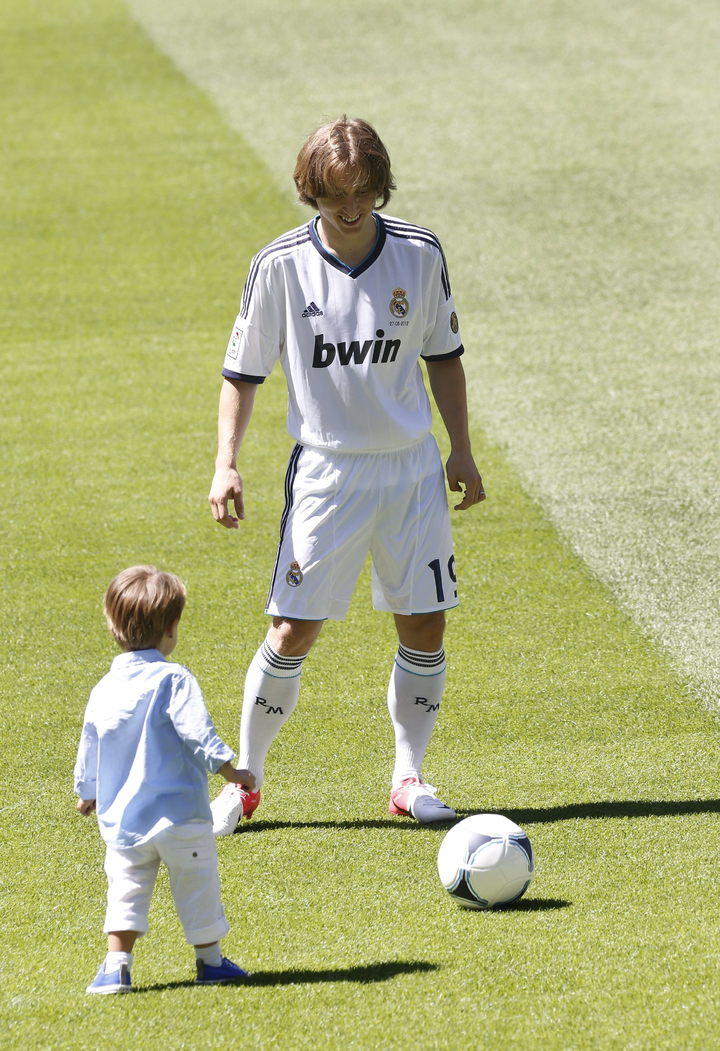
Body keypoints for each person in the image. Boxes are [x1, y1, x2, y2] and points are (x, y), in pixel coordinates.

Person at [208, 116, 485, 836]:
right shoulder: (279, 265)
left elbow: (444, 353)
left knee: (424, 621)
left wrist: (461, 446)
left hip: (410, 470)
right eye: (335, 195)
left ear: (380, 185)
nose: (352, 206)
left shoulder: (420, 255)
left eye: (364, 190)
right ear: (312, 191)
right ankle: (246, 784)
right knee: (293, 628)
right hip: (328, 472)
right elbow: (242, 372)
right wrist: (226, 462)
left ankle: (409, 776)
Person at [74, 565, 256, 994]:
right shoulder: (174, 679)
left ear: (112, 626)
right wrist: (232, 771)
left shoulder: (103, 688)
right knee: (198, 885)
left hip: (125, 822)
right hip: (180, 817)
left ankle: (115, 967)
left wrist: (88, 791)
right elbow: (198, 733)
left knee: (126, 889)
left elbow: (90, 742)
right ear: (172, 627)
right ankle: (210, 961)